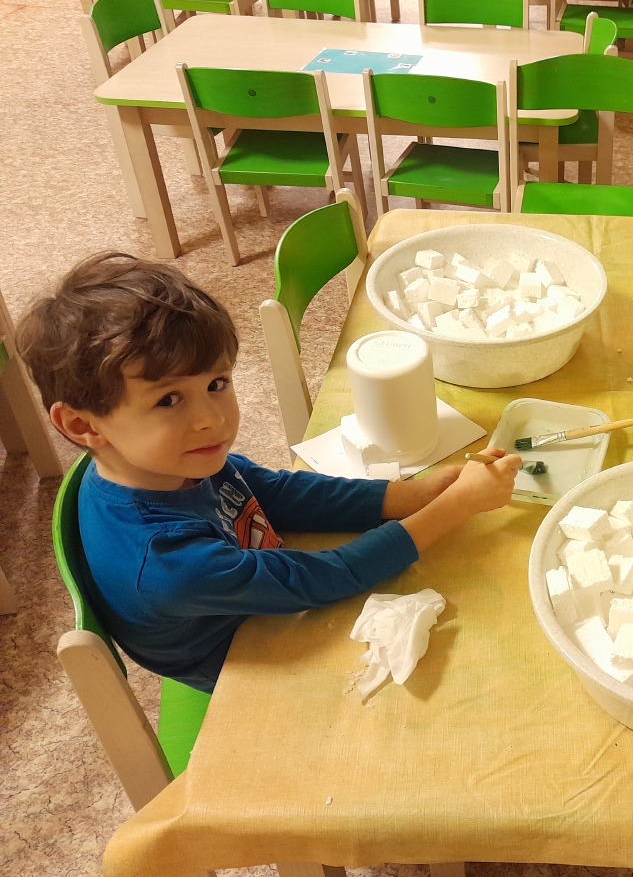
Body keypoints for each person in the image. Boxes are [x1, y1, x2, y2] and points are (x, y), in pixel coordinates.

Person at [17, 252, 522, 693]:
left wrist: (407, 496)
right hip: (241, 661)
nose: (211, 419)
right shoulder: (168, 563)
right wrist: (456, 507)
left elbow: (276, 491)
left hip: (254, 590)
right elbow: (318, 580)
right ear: (83, 425)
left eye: (217, 383)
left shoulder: (165, 460)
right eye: (168, 400)